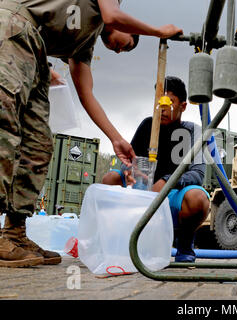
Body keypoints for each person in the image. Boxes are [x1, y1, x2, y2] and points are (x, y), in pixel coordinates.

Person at [0, 0, 183, 268]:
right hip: (15, 27)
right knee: (4, 129)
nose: (122, 50)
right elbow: (112, 15)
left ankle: (13, 234)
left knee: (38, 146)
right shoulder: (111, 9)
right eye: (129, 43)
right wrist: (157, 31)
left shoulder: (83, 44)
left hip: (36, 51)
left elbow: (86, 94)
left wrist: (115, 138)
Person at [102, 76, 210, 263]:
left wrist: (167, 182)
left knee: (198, 199)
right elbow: (128, 161)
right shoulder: (147, 126)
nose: (163, 108)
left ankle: (184, 244)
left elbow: (198, 174)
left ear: (183, 106)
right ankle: (115, 240)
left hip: (172, 197)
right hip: (141, 194)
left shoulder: (193, 131)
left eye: (170, 102)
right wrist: (128, 171)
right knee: (110, 179)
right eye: (159, 102)